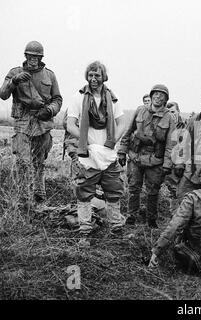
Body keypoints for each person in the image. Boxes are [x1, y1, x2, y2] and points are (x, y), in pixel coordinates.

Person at [66, 61, 127, 244]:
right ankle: (85, 231)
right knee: (84, 193)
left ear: (103, 77)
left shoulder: (113, 99)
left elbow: (122, 122)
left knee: (114, 191)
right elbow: (70, 124)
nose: (93, 79)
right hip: (88, 156)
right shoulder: (78, 98)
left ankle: (115, 230)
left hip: (109, 155)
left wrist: (112, 141)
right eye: (90, 75)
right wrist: (89, 141)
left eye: (97, 75)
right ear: (87, 76)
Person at [0, 41, 62, 203]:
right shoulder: (15, 72)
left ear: (41, 57)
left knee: (39, 161)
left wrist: (49, 110)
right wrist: (14, 81)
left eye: (37, 56)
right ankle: (25, 199)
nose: (34, 59)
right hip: (23, 121)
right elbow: (3, 94)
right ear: (26, 56)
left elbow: (57, 99)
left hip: (43, 122)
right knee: (23, 161)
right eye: (31, 56)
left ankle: (39, 195)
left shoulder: (50, 75)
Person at [118, 84, 176, 228]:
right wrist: (122, 151)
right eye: (155, 94)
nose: (157, 97)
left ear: (165, 99)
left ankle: (151, 219)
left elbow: (170, 143)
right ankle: (131, 216)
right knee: (133, 188)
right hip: (135, 156)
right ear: (151, 96)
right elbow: (128, 131)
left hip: (155, 160)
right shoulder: (140, 110)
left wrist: (167, 164)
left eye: (161, 95)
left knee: (153, 190)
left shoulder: (170, 117)